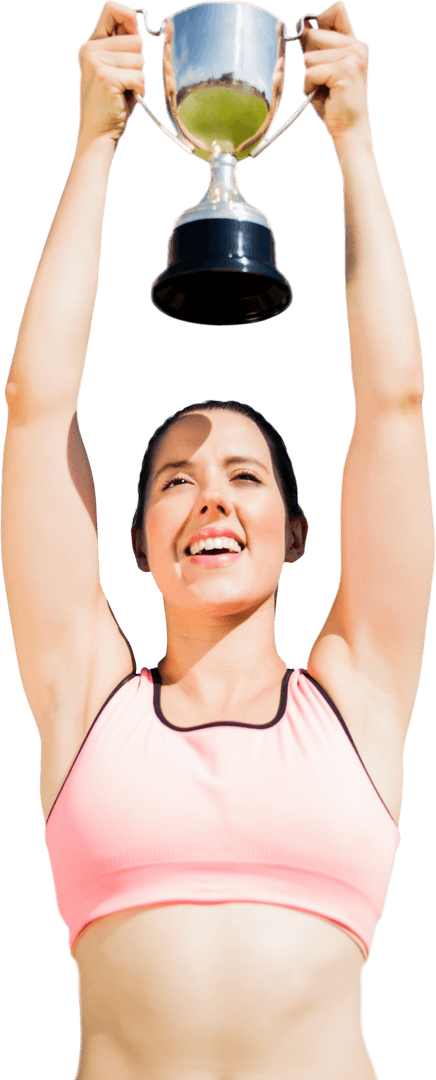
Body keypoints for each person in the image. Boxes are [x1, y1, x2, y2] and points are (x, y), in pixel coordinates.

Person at [2, 1, 434, 1078]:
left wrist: (354, 139)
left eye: (245, 478)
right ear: (135, 542)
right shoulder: (87, 699)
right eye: (175, 483)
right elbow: (35, 409)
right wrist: (96, 137)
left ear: (296, 534)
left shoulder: (356, 700)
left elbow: (392, 404)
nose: (210, 500)